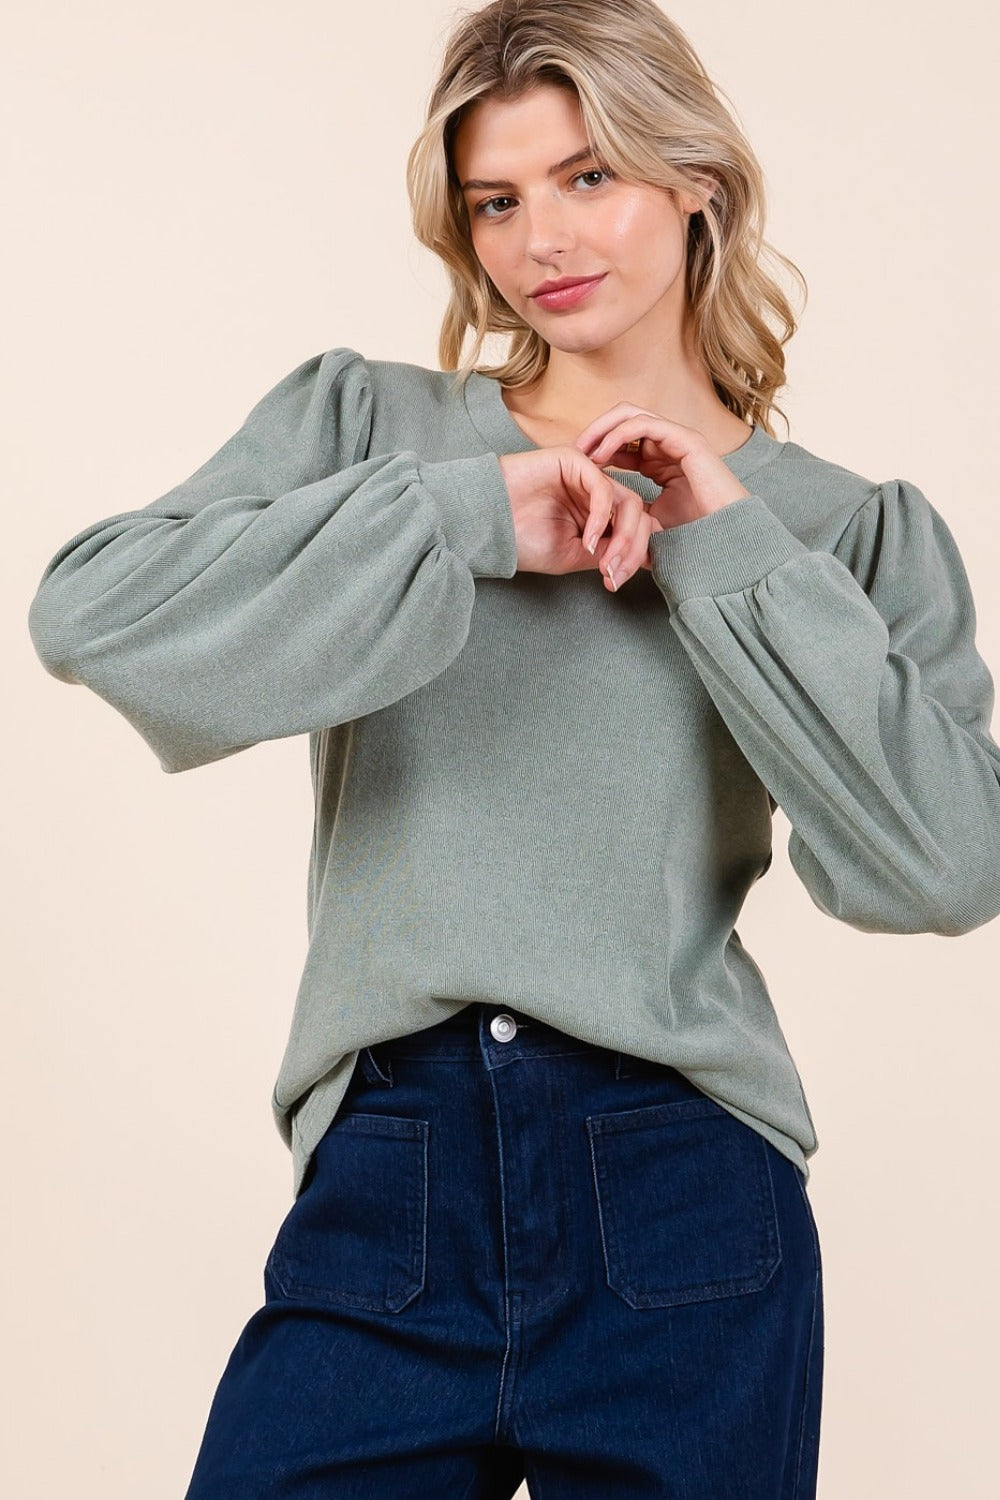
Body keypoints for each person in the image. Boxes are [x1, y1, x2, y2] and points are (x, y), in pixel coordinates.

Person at [25, 0, 1000, 1495]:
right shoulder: (374, 429)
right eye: (496, 200)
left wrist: (720, 537)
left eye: (589, 175)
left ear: (696, 181)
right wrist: (471, 513)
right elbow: (94, 614)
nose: (542, 237)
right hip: (392, 1170)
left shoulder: (843, 529)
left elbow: (949, 862)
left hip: (680, 1178)